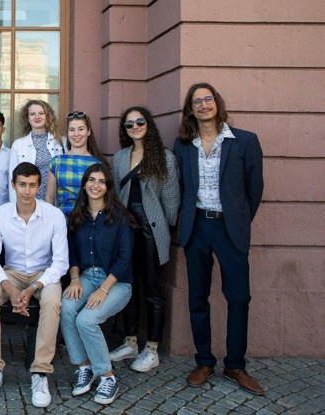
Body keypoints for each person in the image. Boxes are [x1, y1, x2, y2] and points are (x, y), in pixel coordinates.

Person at [174, 83, 264, 394]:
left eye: (208, 99)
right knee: (198, 296)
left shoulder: (245, 142)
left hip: (230, 228)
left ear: (217, 103)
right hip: (197, 226)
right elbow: (183, 188)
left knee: (239, 297)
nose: (203, 105)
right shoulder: (184, 145)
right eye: (196, 101)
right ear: (190, 109)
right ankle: (204, 360)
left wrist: (238, 220)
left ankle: (236, 365)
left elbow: (254, 190)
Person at [0, 162, 68, 409]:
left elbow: (60, 262)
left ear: (39, 187)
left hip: (44, 273)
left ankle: (40, 372)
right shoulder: (0, 215)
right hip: (12, 272)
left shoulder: (54, 215)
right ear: (13, 185)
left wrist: (33, 288)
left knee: (52, 301)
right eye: (22, 185)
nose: (26, 191)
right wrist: (10, 288)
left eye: (31, 185)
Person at [108, 107, 180, 371]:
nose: (135, 126)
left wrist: (165, 228)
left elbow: (171, 200)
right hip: (127, 229)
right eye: (129, 124)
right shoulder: (119, 157)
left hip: (152, 229)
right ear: (124, 129)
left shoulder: (165, 157)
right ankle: (130, 342)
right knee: (127, 285)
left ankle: (152, 348)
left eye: (140, 121)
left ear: (148, 124)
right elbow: (115, 193)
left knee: (152, 289)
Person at [60, 163, 135, 405]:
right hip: (86, 277)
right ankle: (84, 367)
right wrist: (73, 280)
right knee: (67, 307)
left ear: (108, 187)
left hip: (117, 282)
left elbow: (124, 260)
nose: (95, 185)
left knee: (87, 319)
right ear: (84, 184)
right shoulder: (77, 216)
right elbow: (71, 252)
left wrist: (104, 290)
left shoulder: (120, 218)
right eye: (91, 180)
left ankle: (107, 375)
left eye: (101, 181)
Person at [45, 111, 105, 216]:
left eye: (81, 129)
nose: (76, 134)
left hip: (88, 222)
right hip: (62, 223)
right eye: (72, 130)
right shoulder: (56, 162)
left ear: (89, 131)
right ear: (67, 133)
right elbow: (49, 198)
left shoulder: (98, 164)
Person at [8, 100, 64, 202]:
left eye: (41, 113)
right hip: (28, 201)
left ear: (47, 116)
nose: (37, 117)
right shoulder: (18, 145)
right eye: (32, 114)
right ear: (27, 119)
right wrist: (15, 206)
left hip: (55, 202)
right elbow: (13, 179)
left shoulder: (60, 142)